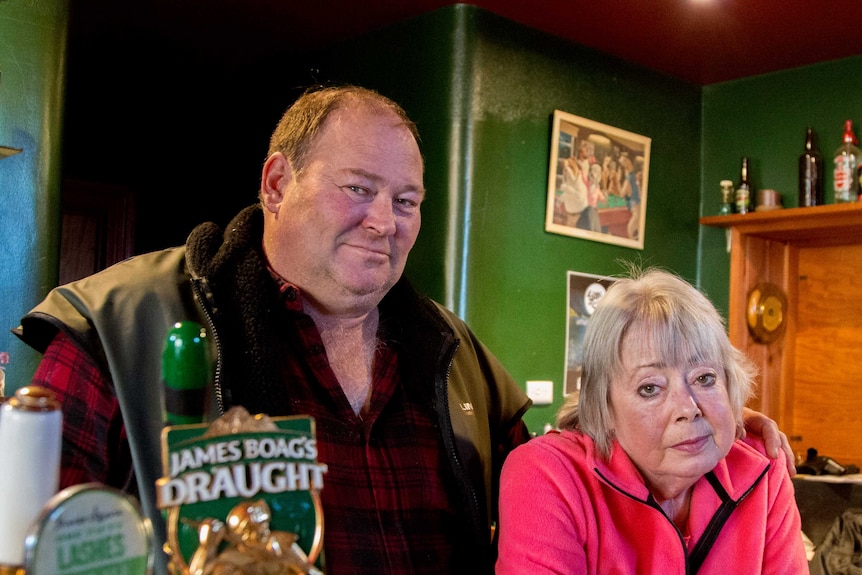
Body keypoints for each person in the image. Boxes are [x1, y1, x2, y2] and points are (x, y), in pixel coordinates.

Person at [14, 86, 792, 575]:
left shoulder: (457, 359)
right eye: (359, 188)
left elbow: (572, 475)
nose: (385, 222)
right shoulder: (120, 324)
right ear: (278, 182)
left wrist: (716, 417)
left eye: (409, 201)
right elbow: (24, 537)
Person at [495, 268, 808, 574]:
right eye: (650, 388)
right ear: (603, 405)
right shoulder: (547, 474)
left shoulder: (762, 470)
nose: (688, 408)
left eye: (704, 378)